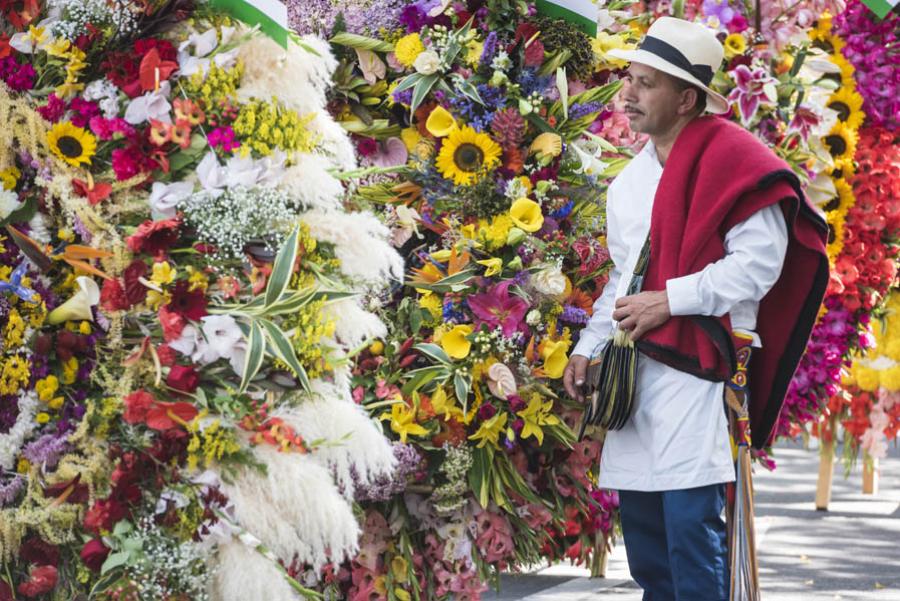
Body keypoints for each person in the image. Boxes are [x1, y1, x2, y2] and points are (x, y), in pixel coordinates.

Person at [562, 17, 829, 601]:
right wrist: (587, 348)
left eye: (646, 83)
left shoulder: (737, 160)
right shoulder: (629, 183)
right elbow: (623, 278)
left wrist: (671, 300)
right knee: (650, 551)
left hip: (701, 373)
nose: (626, 94)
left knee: (692, 540)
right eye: (628, 79)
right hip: (636, 377)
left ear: (687, 98)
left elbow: (759, 266)